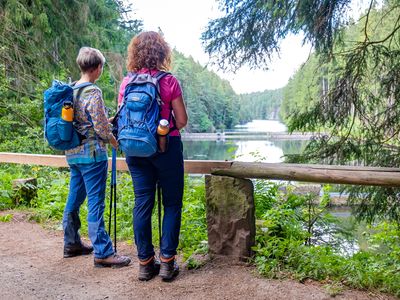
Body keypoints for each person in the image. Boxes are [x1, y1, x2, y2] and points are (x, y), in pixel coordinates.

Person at [117, 31, 188, 281]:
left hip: (135, 151)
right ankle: (167, 263)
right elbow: (181, 120)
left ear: (135, 53)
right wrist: (164, 130)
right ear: (162, 52)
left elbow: (121, 118)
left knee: (142, 203)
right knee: (171, 204)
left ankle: (146, 264)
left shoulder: (127, 83)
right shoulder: (169, 81)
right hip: (166, 148)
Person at [63, 47, 131, 268]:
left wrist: (104, 123)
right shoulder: (93, 92)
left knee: (74, 199)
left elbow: (83, 121)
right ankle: (103, 252)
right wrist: (113, 140)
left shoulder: (71, 90)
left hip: (73, 154)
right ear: (97, 67)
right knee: (95, 204)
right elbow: (101, 128)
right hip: (92, 155)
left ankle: (71, 243)